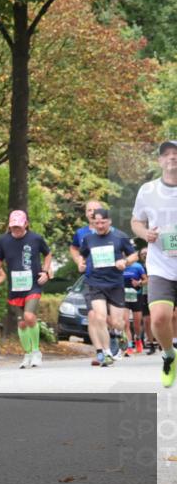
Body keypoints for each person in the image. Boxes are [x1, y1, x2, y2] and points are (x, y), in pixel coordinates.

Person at [131, 140, 177, 388]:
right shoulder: (147, 191)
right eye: (166, 154)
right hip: (160, 265)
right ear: (160, 161)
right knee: (159, 318)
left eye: (176, 154)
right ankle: (169, 355)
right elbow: (136, 221)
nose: (172, 158)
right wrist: (144, 233)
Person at [0, 211, 53, 369]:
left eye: (18, 227)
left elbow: (48, 254)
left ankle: (37, 352)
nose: (16, 230)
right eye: (13, 227)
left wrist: (45, 271)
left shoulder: (35, 238)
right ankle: (27, 354)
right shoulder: (4, 240)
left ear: (26, 224)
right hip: (16, 286)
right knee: (22, 324)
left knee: (29, 316)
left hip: (34, 283)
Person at [77, 208, 138, 366]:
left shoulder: (120, 237)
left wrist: (125, 262)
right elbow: (82, 255)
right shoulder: (89, 239)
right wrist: (81, 264)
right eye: (96, 222)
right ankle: (106, 352)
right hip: (95, 283)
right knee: (100, 317)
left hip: (115, 284)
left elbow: (134, 255)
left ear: (109, 221)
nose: (100, 225)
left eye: (103, 222)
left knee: (118, 322)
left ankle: (119, 333)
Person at [122, 251, 148, 355]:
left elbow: (147, 280)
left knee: (137, 323)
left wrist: (139, 283)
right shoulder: (119, 266)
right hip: (123, 296)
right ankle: (129, 346)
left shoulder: (138, 266)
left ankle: (138, 339)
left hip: (137, 296)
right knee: (125, 322)